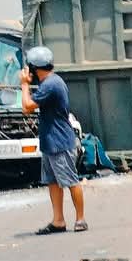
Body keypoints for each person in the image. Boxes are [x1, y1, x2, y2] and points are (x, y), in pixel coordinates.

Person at [19, 46, 86, 234]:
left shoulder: (50, 84)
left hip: (59, 141)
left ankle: (80, 219)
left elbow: (27, 107)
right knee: (53, 181)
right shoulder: (49, 82)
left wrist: (24, 84)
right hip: (51, 141)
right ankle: (58, 221)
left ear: (34, 68)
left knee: (71, 180)